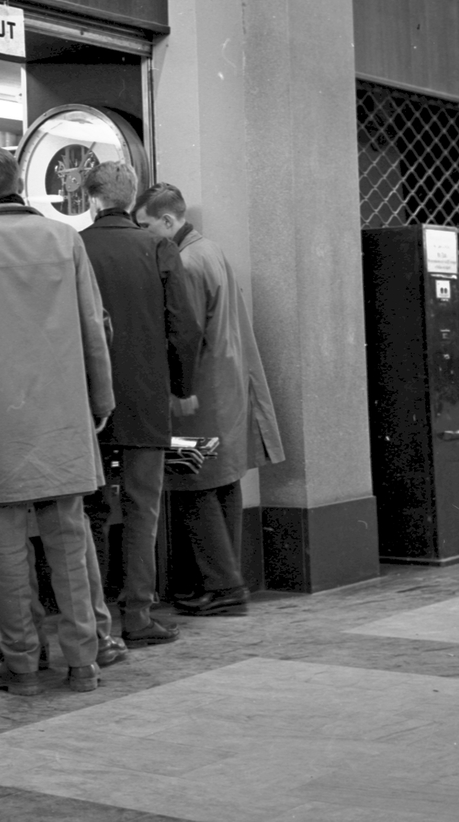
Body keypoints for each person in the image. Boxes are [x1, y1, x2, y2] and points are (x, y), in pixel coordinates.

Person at [0, 147, 115, 695]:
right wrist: (100, 399)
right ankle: (83, 663)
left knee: (7, 552)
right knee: (70, 543)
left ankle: (23, 666)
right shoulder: (64, 239)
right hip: (61, 415)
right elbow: (92, 325)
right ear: (20, 183)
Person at [133, 183, 285, 616]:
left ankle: (223, 587)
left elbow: (185, 333)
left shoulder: (185, 262)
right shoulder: (210, 250)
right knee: (223, 484)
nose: (142, 235)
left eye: (145, 225)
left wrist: (175, 390)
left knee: (193, 484)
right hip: (225, 391)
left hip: (199, 393)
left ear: (167, 220)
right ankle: (224, 582)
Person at [80, 162, 203, 648]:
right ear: (132, 199)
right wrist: (181, 386)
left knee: (88, 509)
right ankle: (137, 614)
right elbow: (184, 326)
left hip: (85, 400)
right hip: (146, 398)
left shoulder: (74, 247)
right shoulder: (157, 247)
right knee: (142, 507)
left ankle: (91, 619)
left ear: (91, 198)